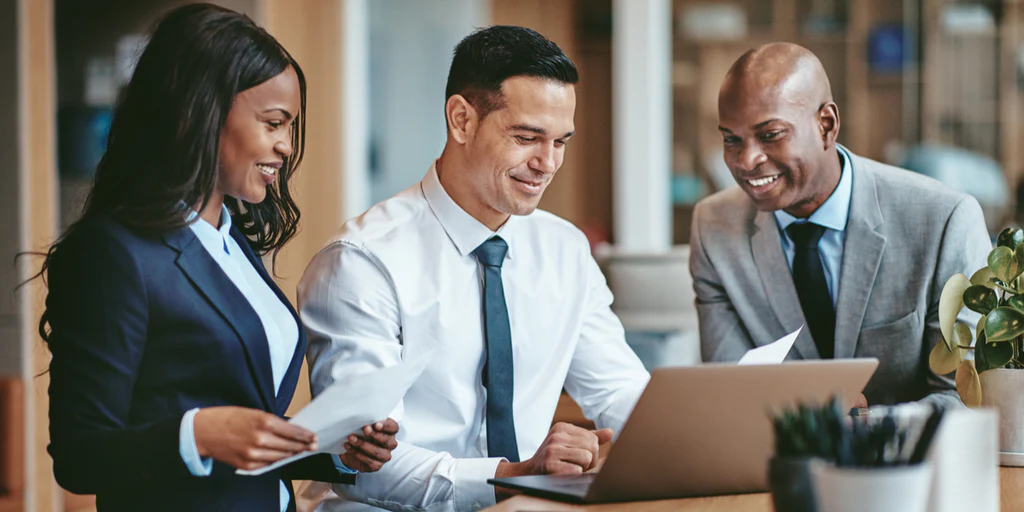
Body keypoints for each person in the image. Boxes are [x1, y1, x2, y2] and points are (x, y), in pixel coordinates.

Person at [40, 4, 397, 511]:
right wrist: (198, 433)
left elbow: (243, 434)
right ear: (202, 111)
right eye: (274, 123)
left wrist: (331, 449)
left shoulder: (232, 243)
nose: (285, 146)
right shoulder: (114, 254)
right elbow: (79, 455)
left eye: (290, 127)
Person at [298, 25, 651, 510]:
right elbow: (367, 469)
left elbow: (618, 390)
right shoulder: (362, 261)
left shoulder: (565, 250)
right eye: (527, 137)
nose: (547, 163)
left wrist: (687, 444)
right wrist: (511, 476)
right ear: (461, 120)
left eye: (560, 142)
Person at [690, 42, 990, 408]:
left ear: (826, 125)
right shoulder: (713, 228)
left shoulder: (944, 220)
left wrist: (865, 429)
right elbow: (730, 392)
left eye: (770, 135)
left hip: (909, 462)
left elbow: (962, 399)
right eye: (731, 140)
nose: (746, 160)